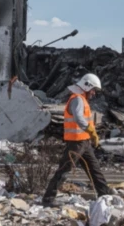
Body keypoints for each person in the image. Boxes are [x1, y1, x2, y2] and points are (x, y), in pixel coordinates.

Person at [42, 73, 113, 206]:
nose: (93, 93)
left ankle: (105, 194)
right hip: (76, 142)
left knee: (94, 169)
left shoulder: (81, 99)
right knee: (64, 170)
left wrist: (91, 136)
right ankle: (48, 199)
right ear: (86, 86)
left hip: (83, 142)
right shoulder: (78, 99)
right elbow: (79, 118)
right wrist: (91, 131)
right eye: (93, 90)